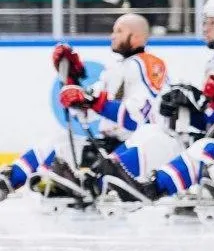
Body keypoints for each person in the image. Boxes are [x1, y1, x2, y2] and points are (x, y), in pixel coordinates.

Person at [89, 0, 214, 201]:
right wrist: (191, 104)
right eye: (204, 22)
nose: (205, 28)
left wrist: (199, 102)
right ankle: (111, 174)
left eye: (213, 22)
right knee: (156, 131)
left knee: (166, 140)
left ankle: (126, 182)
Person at [1, 15, 168, 202]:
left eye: (119, 31)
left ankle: (85, 183)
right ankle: (8, 180)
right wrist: (72, 79)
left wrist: (93, 100)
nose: (112, 36)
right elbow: (85, 110)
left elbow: (138, 118)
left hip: (133, 147)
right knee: (59, 141)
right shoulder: (115, 69)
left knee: (96, 166)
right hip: (109, 145)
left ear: (137, 37)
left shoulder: (148, 64)